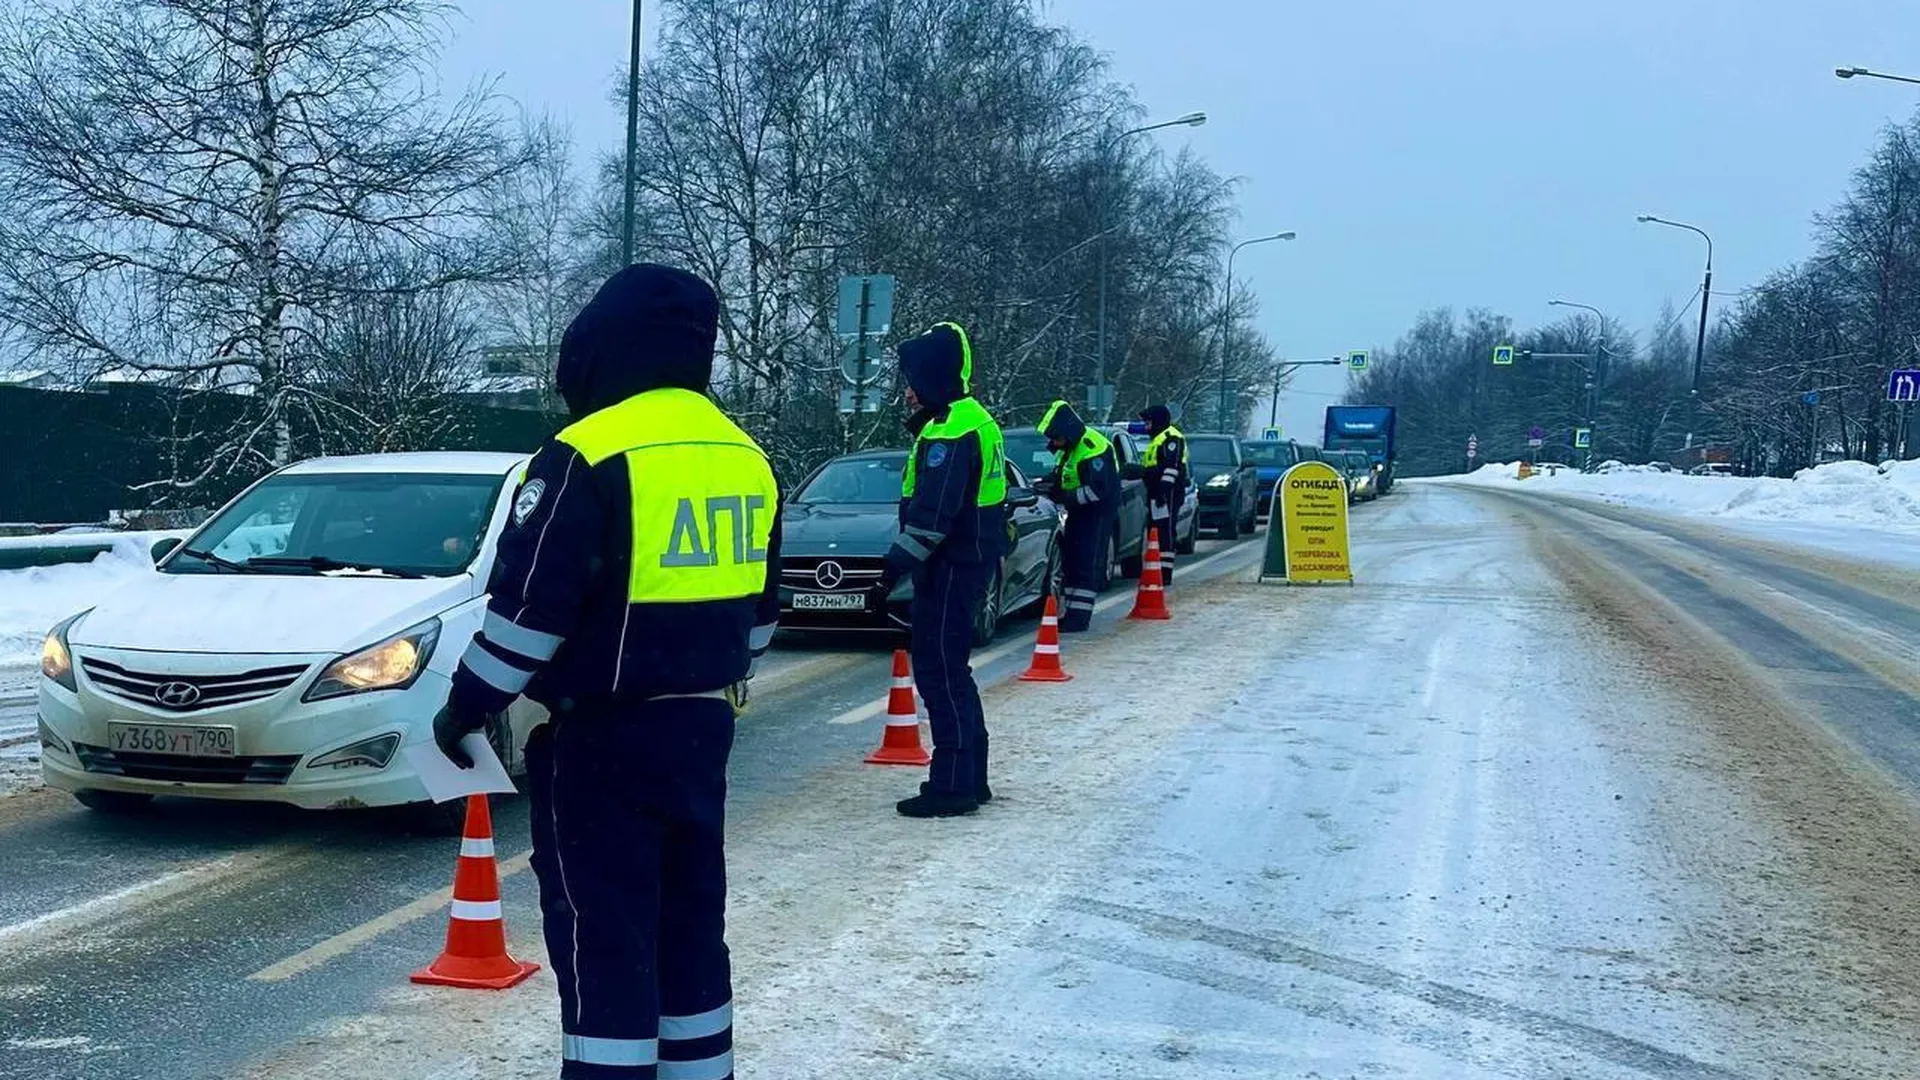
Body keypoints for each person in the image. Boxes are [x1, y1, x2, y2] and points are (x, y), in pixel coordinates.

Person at [436, 263, 778, 1080]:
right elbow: (762, 618)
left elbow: (529, 615)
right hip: (702, 729)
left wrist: (465, 706)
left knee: (604, 934)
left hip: (602, 739)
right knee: (691, 923)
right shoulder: (745, 456)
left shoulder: (586, 454)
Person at [870, 322, 1007, 818]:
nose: (907, 391)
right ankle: (972, 774)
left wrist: (888, 573)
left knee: (939, 671)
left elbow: (932, 520)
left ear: (934, 378)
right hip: (965, 563)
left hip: (950, 567)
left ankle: (952, 785)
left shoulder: (951, 431)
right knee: (955, 672)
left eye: (912, 380)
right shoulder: (970, 420)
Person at [1035, 399, 1119, 632]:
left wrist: (1064, 496)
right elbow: (1062, 475)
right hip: (1078, 514)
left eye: (1055, 438)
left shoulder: (1094, 449)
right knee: (1071, 562)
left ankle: (1079, 618)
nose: (1053, 443)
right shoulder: (1071, 448)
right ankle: (1070, 612)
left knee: (1085, 563)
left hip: (1095, 516)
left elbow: (1096, 491)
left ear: (1067, 433)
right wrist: (1046, 484)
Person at [1139, 404, 1187, 584]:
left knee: (1165, 531)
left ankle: (1165, 574)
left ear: (1158, 422)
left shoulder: (1171, 438)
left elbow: (1171, 469)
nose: (1146, 427)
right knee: (1156, 531)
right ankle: (1156, 568)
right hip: (1157, 493)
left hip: (1168, 493)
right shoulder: (1158, 438)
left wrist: (1162, 492)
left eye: (1149, 423)